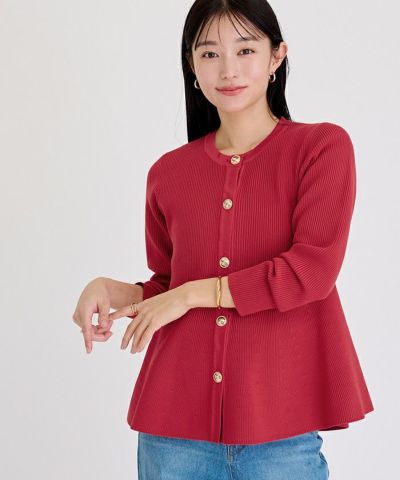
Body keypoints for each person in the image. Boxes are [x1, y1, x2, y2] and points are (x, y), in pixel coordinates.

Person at [72, 1, 374, 478]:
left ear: (277, 56)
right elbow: (170, 286)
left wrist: (191, 294)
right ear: (192, 66)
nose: (228, 69)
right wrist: (119, 291)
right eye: (210, 53)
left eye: (246, 49)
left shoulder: (320, 148)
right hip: (172, 433)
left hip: (281, 431)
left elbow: (310, 272)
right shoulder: (168, 173)